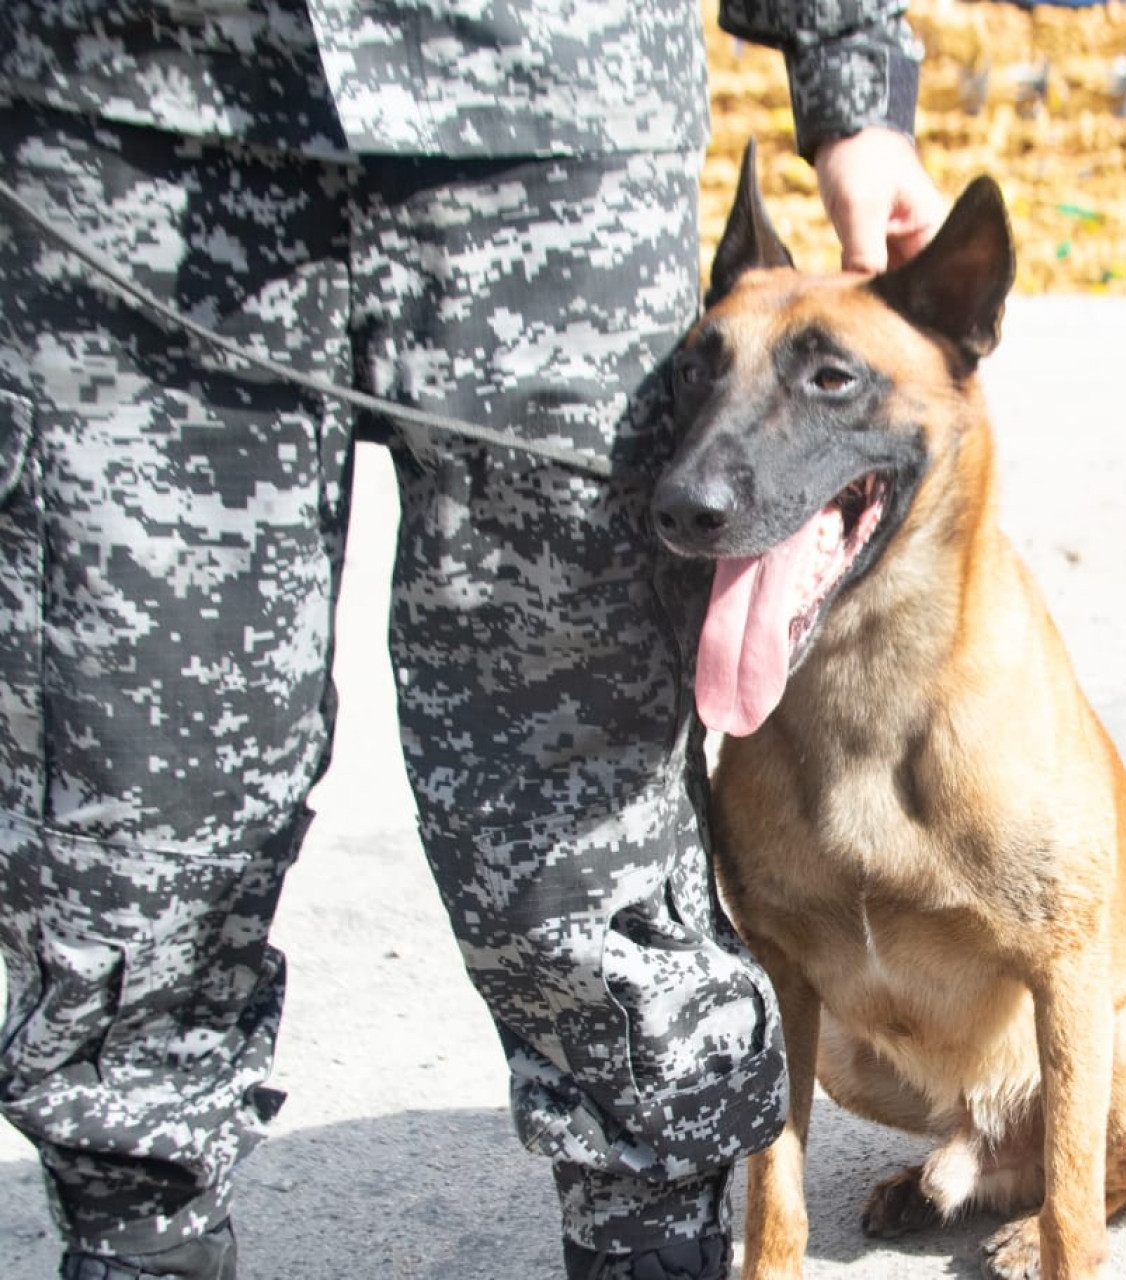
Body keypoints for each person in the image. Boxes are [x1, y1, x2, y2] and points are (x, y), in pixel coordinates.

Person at [0, 2, 945, 1278]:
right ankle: (135, 1235)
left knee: (587, 793)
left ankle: (648, 1243)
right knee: (131, 777)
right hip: (124, 114)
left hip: (547, 119)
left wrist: (852, 77)